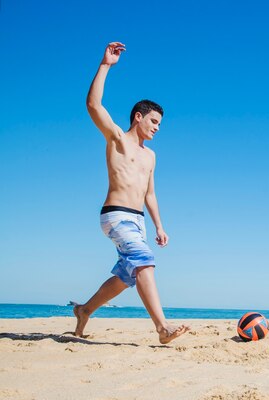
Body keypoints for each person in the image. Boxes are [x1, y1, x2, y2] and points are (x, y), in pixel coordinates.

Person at [73, 42, 190, 344]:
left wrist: (160, 226)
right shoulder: (117, 140)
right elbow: (93, 106)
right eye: (154, 121)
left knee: (126, 276)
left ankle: (85, 310)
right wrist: (105, 65)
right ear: (138, 116)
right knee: (143, 260)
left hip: (137, 220)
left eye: (160, 124)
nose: (157, 128)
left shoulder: (151, 156)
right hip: (115, 216)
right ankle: (163, 328)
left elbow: (150, 194)